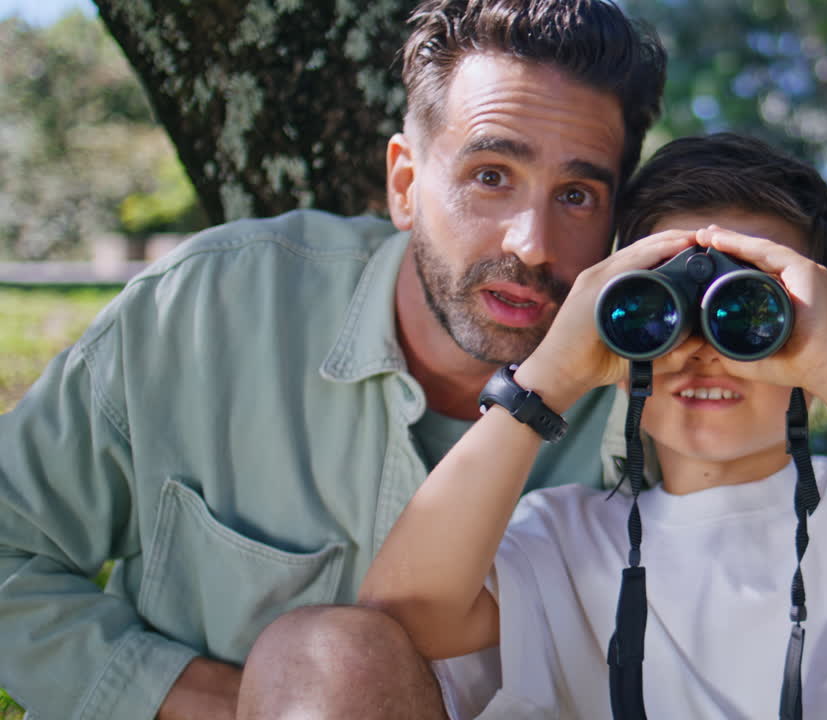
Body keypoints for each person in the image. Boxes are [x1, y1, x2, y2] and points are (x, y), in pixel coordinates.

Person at [0, 2, 665, 719]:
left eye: (576, 194)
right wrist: (240, 704)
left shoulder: (651, 390)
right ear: (405, 185)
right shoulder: (206, 309)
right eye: (491, 175)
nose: (533, 243)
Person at [351, 133, 827, 718]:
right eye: (661, 313)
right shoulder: (562, 541)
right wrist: (553, 371)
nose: (704, 350)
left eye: (752, 315)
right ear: (613, 333)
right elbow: (401, 621)